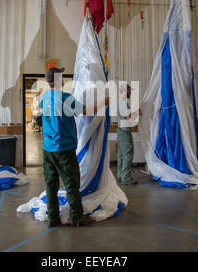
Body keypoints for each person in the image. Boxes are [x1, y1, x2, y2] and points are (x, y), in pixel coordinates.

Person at [40, 67, 109, 227]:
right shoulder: (65, 98)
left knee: (51, 183)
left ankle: (53, 217)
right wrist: (104, 102)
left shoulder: (44, 97)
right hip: (64, 148)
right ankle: (76, 216)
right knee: (71, 182)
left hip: (48, 147)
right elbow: (85, 111)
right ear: (58, 79)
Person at [117, 84, 140, 185]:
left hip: (121, 130)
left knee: (121, 154)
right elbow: (128, 116)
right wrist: (137, 113)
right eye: (129, 91)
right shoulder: (123, 103)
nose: (130, 93)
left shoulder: (120, 102)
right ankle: (126, 177)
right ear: (125, 91)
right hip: (125, 131)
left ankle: (120, 175)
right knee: (128, 154)